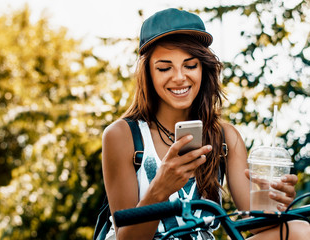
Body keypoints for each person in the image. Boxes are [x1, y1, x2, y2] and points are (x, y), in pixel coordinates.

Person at [101, 8, 309, 239]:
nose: (179, 77)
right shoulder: (123, 135)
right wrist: (159, 189)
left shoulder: (226, 137)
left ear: (204, 68)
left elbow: (254, 224)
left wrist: (276, 204)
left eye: (190, 65)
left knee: (300, 231)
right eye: (164, 68)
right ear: (148, 73)